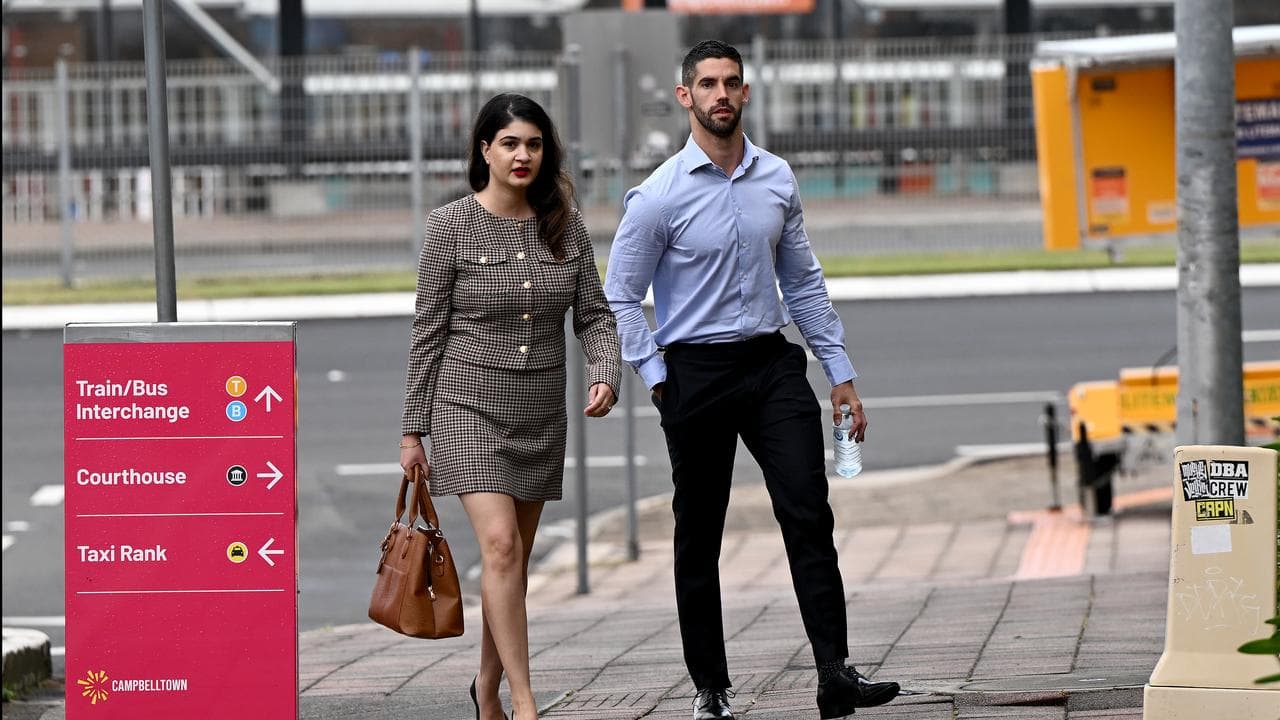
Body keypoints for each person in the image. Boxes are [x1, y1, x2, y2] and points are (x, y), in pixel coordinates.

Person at [604, 41, 901, 720]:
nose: (720, 94)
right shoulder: (657, 197)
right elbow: (620, 294)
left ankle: (835, 674)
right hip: (695, 375)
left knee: (807, 508)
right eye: (706, 84)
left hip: (771, 366)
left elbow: (801, 280)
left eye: (731, 83)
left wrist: (841, 373)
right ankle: (710, 687)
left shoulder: (777, 178)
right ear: (685, 97)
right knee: (698, 530)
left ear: (746, 93)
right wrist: (656, 376)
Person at [400, 93, 620, 720]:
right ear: (484, 150)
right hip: (467, 409)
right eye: (510, 144)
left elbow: (595, 315)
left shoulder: (565, 225)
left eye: (534, 144)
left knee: (513, 565)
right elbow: (427, 333)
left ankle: (487, 690)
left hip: (540, 412)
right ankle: (525, 704)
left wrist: (606, 372)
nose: (523, 156)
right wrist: (414, 430)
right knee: (499, 549)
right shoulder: (449, 227)